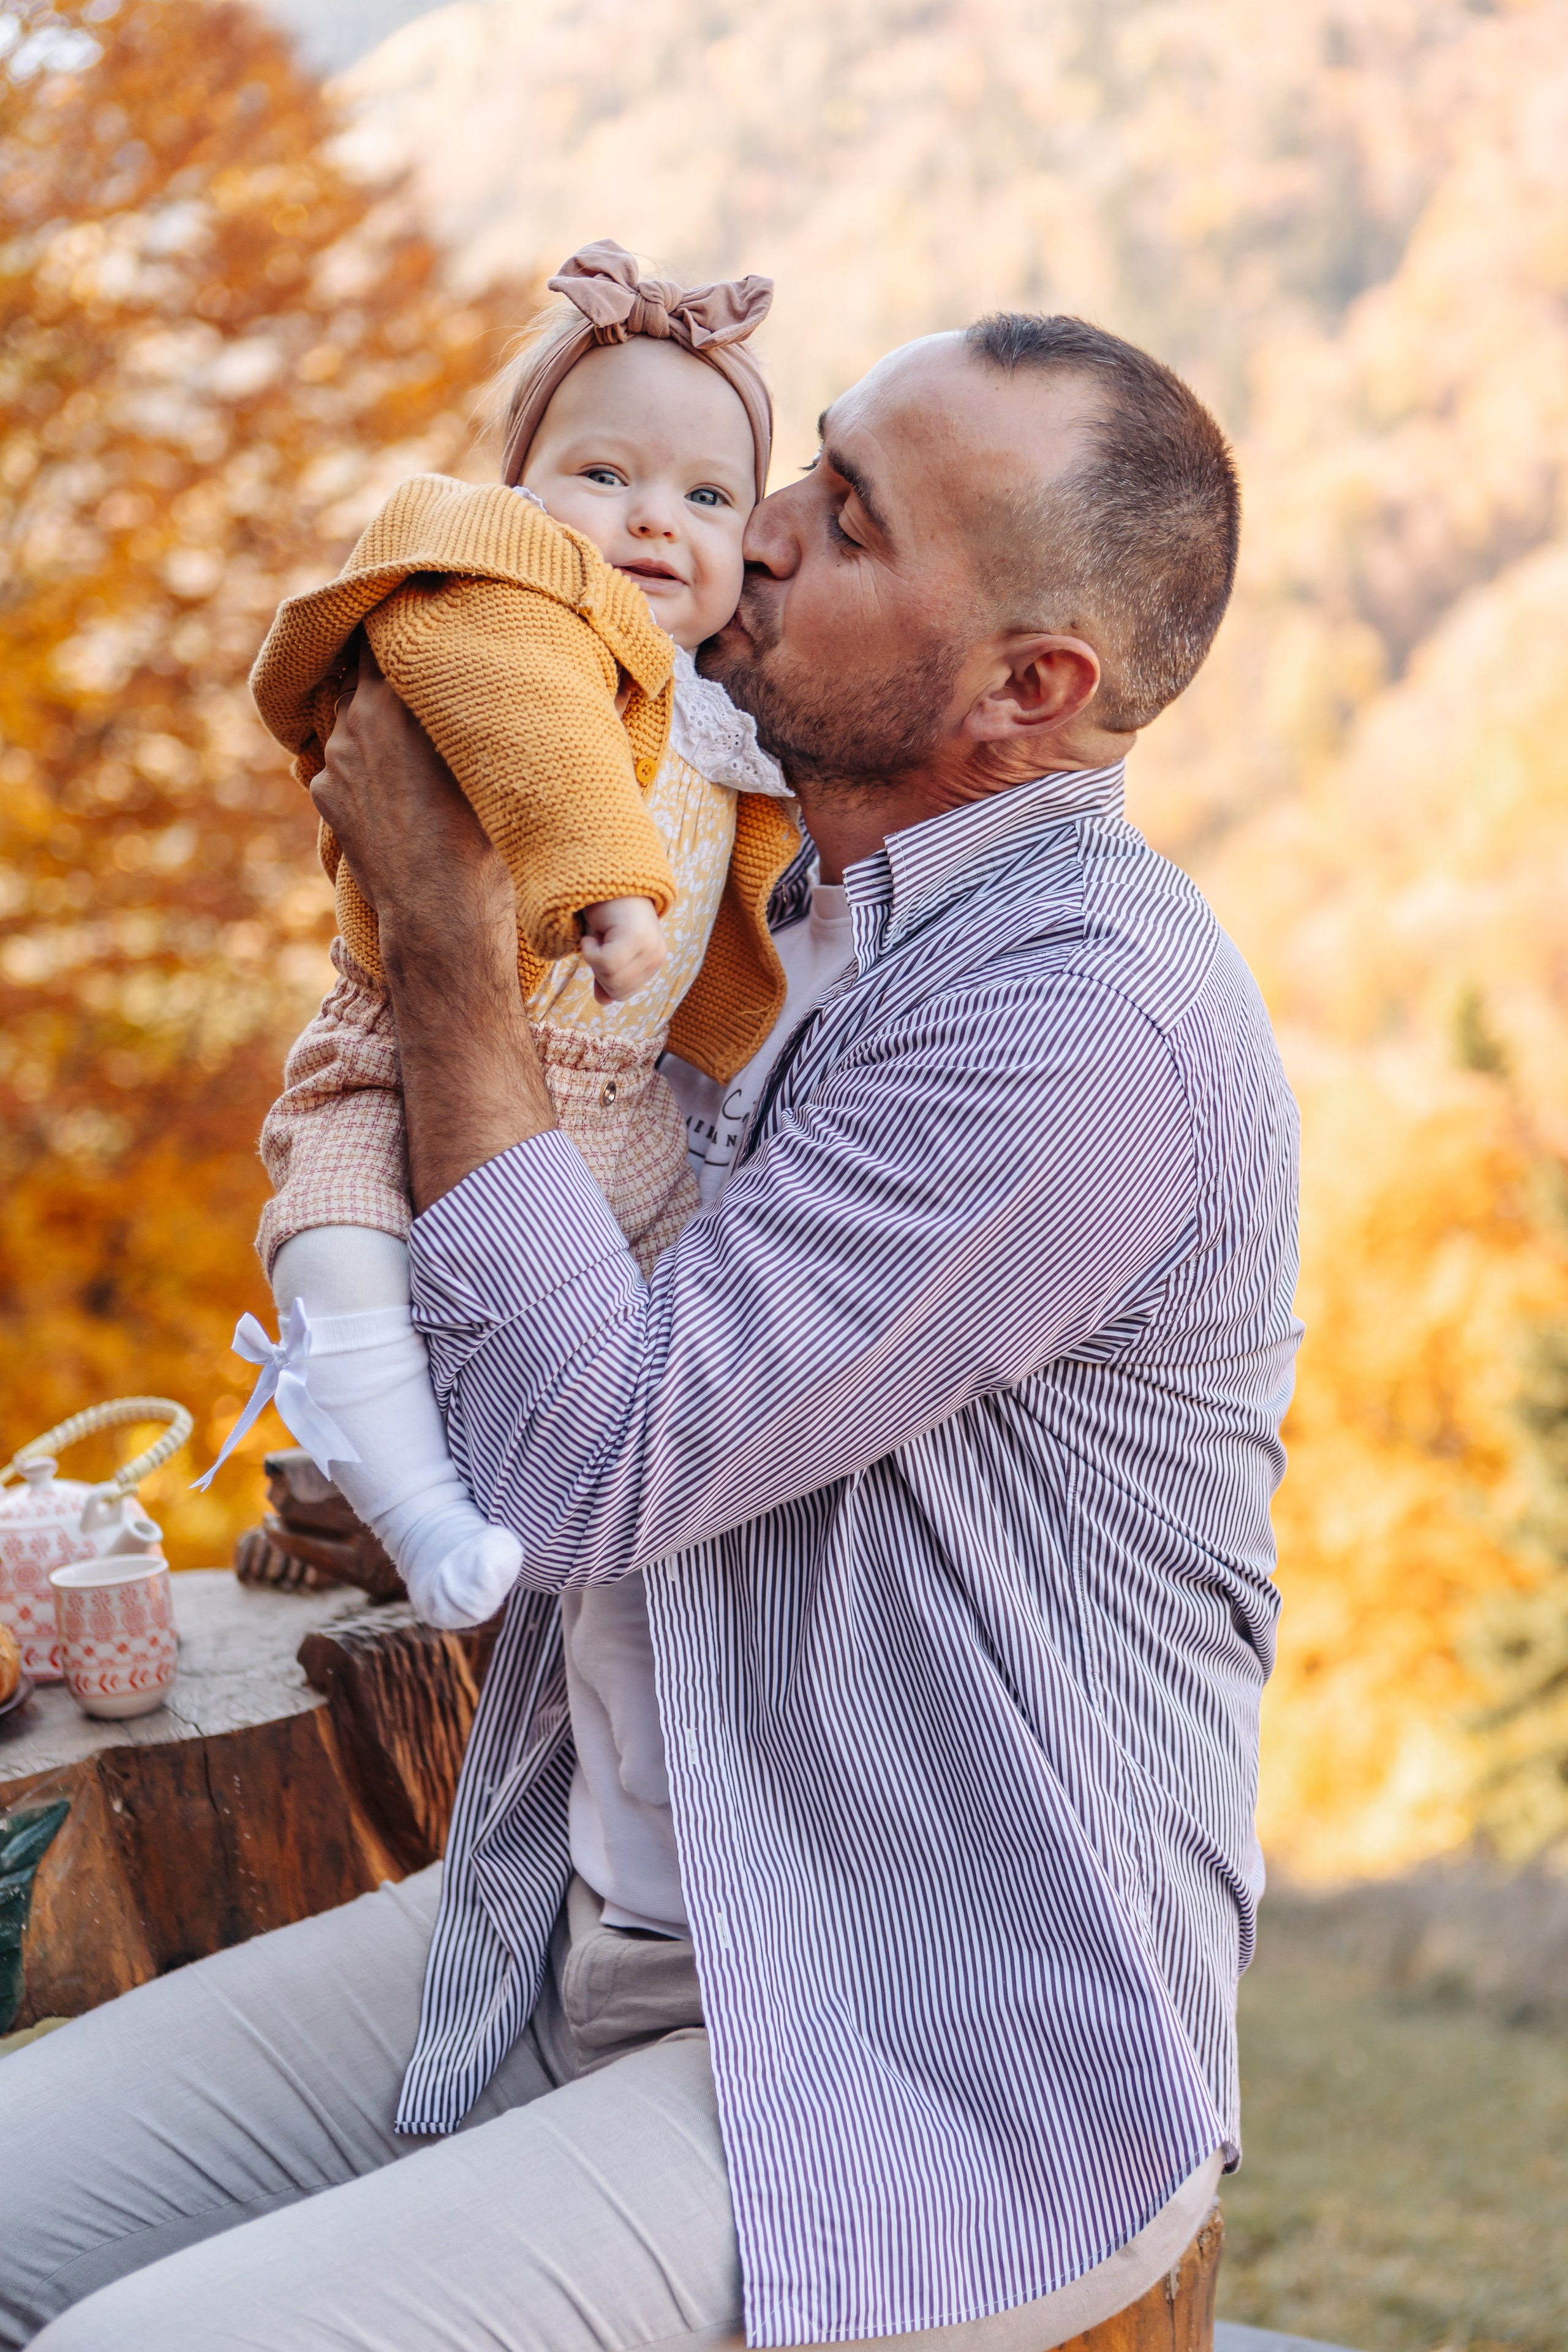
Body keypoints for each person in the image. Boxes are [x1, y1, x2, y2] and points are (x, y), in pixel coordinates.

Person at [1, 314, 1301, 2352]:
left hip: (910, 2031)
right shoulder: (776, 906)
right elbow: (601, 1341)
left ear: (1026, 690)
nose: (755, 532)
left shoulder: (1077, 1032)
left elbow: (594, 1463)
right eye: (812, 465)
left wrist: (444, 945)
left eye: (846, 520)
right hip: (588, 1904)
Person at [195, 241, 799, 1632]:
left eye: (707, 496)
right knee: (333, 1237)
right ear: (516, 493)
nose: (654, 521)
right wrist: (605, 887)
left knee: (649, 1339)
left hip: (617, 1103)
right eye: (604, 477)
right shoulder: (502, 610)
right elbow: (533, 738)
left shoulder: (715, 708)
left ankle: (433, 1493)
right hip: (402, 1059)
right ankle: (407, 1506)